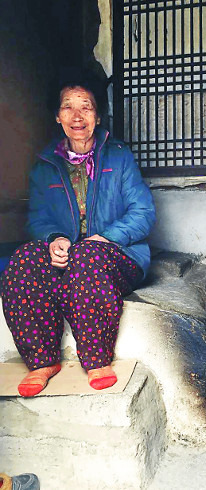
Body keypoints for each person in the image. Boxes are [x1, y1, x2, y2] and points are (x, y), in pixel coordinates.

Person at [0, 70, 156, 397]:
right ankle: (42, 360)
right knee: (22, 260)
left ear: (97, 116)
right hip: (70, 256)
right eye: (68, 107)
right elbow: (38, 218)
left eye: (85, 107)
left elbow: (143, 213)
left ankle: (96, 358)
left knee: (87, 254)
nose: (77, 116)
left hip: (117, 255)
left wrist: (108, 238)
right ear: (58, 116)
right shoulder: (46, 165)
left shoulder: (119, 156)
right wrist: (54, 238)